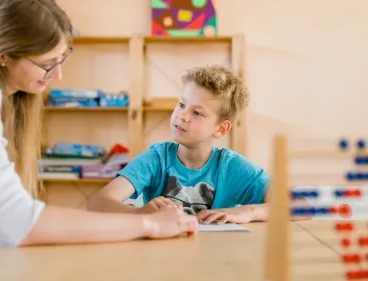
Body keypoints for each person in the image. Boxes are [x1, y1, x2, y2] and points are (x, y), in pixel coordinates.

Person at [0, 0, 198, 258]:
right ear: (4, 55)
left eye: (62, 58)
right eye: (47, 64)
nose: (58, 74)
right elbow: (18, 222)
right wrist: (146, 225)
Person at [88, 65, 272, 224]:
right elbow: (97, 203)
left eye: (197, 113)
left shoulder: (231, 167)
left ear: (221, 129)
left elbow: (297, 204)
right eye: (182, 105)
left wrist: (247, 212)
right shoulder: (157, 158)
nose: (182, 116)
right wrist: (139, 214)